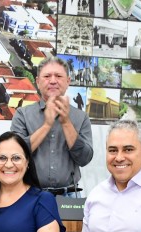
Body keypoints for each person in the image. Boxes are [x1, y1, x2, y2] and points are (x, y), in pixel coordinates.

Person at [11, 56, 93, 196]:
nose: (53, 81)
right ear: (37, 82)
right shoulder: (22, 114)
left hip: (69, 196)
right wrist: (47, 125)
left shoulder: (81, 117)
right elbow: (15, 155)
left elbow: (84, 159)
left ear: (68, 82)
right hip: (30, 194)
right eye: (47, 76)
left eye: (59, 76)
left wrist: (66, 122)